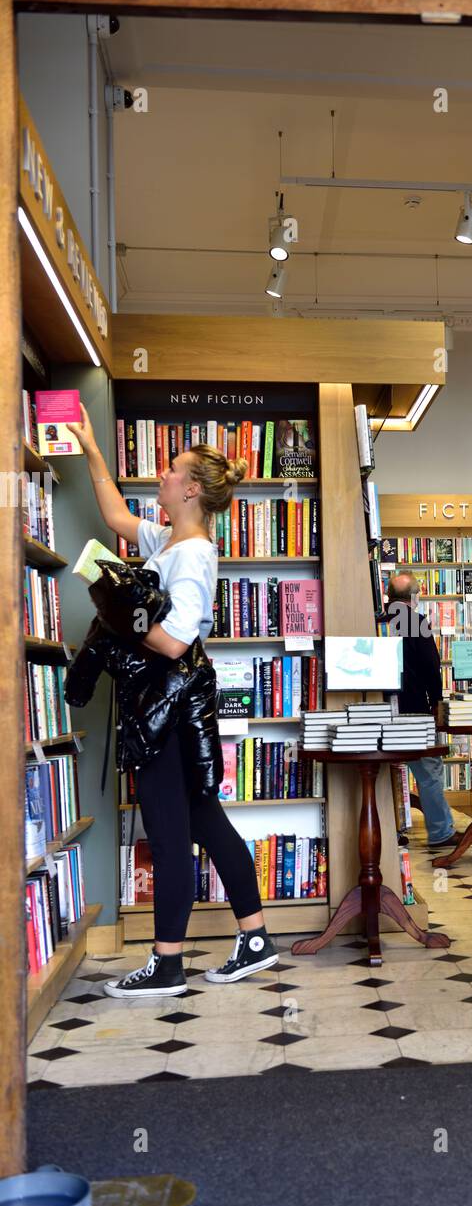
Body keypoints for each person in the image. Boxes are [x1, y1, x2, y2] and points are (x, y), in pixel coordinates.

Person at [67, 404, 280, 996]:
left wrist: (117, 606)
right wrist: (89, 445)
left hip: (170, 713)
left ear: (189, 489)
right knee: (207, 821)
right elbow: (113, 512)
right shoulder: (167, 538)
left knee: (168, 834)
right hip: (175, 708)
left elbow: (173, 641)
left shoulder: (193, 556)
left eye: (169, 471)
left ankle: (167, 964)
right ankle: (256, 938)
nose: (159, 476)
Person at [382, 572, 458, 851]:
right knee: (429, 772)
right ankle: (440, 833)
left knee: (380, 773)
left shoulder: (376, 620)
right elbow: (431, 669)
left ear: (388, 595)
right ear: (414, 598)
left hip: (378, 712)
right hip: (413, 712)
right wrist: (436, 705)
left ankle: (389, 832)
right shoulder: (416, 622)